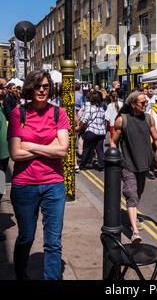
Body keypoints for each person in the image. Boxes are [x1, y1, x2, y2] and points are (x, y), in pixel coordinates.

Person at [7, 69, 70, 280]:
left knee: (53, 241)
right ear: (29, 88)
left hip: (54, 184)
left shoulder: (58, 113)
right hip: (25, 185)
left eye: (45, 86)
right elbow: (15, 153)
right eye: (37, 86)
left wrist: (31, 145)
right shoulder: (19, 113)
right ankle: (20, 273)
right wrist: (48, 146)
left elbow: (63, 151)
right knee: (26, 236)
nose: (41, 90)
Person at [110, 91, 157, 243]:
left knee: (138, 194)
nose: (146, 105)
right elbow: (113, 142)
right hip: (128, 164)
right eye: (143, 103)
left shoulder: (148, 118)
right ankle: (135, 231)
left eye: (146, 102)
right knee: (131, 195)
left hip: (144, 164)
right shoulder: (122, 120)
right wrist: (115, 160)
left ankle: (134, 215)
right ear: (133, 105)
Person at [76, 92, 106, 171]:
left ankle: (82, 165)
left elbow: (84, 120)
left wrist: (79, 128)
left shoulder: (90, 108)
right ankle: (101, 165)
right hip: (101, 133)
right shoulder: (101, 109)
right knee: (100, 150)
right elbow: (103, 121)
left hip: (91, 131)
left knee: (86, 148)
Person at [0, 78, 9, 242]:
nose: (5, 89)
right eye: (3, 87)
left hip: (3, 158)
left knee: (0, 191)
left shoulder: (1, 106)